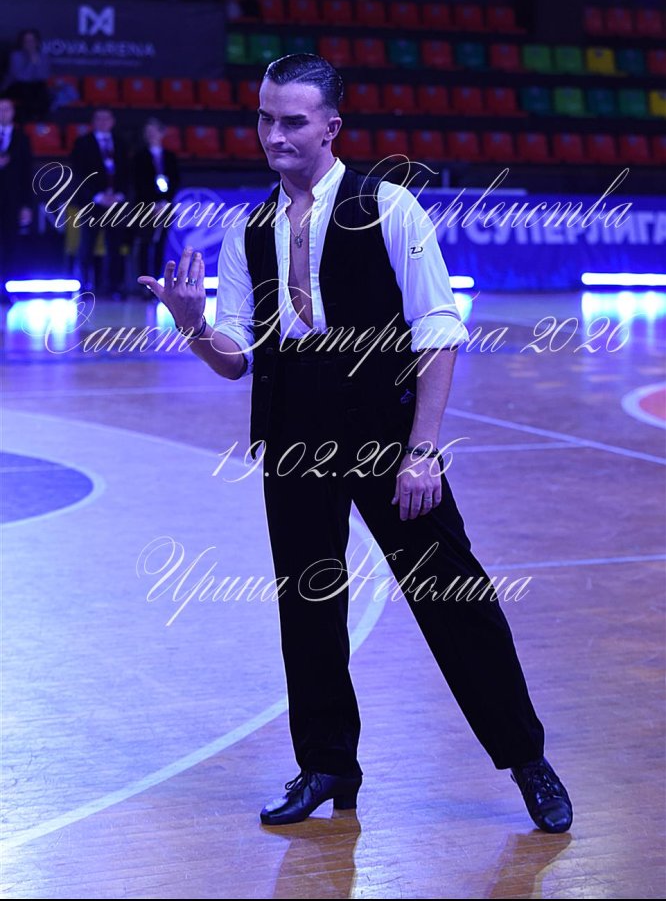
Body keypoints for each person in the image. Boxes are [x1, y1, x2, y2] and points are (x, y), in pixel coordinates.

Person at [138, 53, 573, 835]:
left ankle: (526, 757)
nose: (274, 134)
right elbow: (237, 358)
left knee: (452, 594)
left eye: (292, 121)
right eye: (265, 118)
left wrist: (422, 449)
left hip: (384, 425)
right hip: (292, 426)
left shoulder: (389, 206)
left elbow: (438, 330)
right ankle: (327, 762)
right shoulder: (250, 229)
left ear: (331, 126)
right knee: (308, 604)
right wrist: (194, 325)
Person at [70, 107, 129, 296]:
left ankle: (114, 287)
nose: (103, 122)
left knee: (115, 245)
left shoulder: (121, 142)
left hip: (116, 203)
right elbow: (78, 173)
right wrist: (97, 196)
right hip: (91, 203)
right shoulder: (82, 143)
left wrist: (119, 195)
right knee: (87, 244)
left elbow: (128, 173)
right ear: (93, 121)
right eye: (99, 118)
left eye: (106, 118)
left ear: (112, 121)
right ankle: (84, 285)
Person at [130, 118, 180, 296]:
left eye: (154, 131)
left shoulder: (170, 156)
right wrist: (152, 203)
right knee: (145, 244)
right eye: (148, 132)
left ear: (161, 133)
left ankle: (158, 284)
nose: (151, 135)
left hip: (165, 207)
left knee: (160, 245)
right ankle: (144, 284)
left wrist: (165, 201)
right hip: (146, 207)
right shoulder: (139, 157)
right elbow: (138, 182)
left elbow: (175, 181)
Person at [0, 97, 33, 300]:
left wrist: (26, 205)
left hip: (12, 201)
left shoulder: (22, 138)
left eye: (6, 109)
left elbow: (27, 173)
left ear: (12, 112)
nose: (3, 113)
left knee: (9, 244)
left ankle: (4, 288)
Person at [1, 28, 51, 122]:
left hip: (36, 86)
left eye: (32, 41)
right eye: (26, 41)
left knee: (43, 91)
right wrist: (31, 61)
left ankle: (39, 120)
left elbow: (44, 76)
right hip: (16, 86)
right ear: (22, 43)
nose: (29, 43)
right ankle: (26, 120)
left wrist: (36, 61)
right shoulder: (15, 56)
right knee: (26, 90)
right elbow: (19, 77)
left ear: (37, 42)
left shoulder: (43, 57)